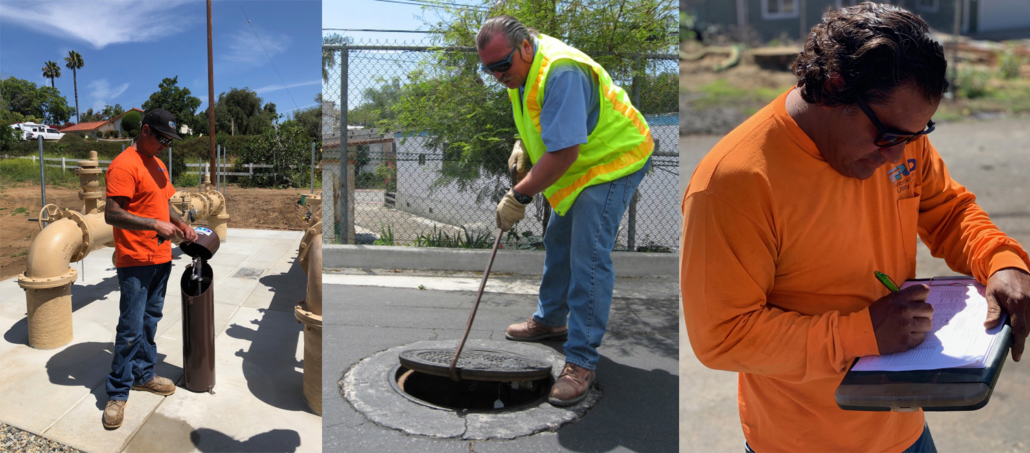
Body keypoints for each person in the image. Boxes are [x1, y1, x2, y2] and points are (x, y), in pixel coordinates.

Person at [680, 4, 1030, 452]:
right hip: (801, 442)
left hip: (905, 428)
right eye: (888, 136)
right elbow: (722, 336)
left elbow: (948, 211)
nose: (896, 155)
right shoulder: (734, 184)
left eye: (916, 135)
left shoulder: (900, 139)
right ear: (833, 87)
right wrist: (863, 333)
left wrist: (1002, 260)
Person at [476, 15, 654, 406]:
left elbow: (563, 153)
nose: (496, 75)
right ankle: (551, 319)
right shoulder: (520, 70)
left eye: (501, 66)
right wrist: (524, 145)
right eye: (488, 70)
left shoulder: (562, 72)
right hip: (582, 164)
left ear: (524, 47)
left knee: (587, 256)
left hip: (614, 160)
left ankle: (581, 361)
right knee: (559, 238)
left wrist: (518, 196)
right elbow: (542, 120)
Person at [102, 108, 198, 429]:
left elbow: (164, 202)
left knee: (150, 321)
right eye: (162, 139)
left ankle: (143, 374)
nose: (165, 146)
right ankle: (117, 391)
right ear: (145, 131)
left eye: (170, 141)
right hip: (134, 261)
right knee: (130, 327)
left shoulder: (157, 165)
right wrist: (153, 223)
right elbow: (112, 214)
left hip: (160, 258)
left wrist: (181, 224)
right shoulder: (123, 165)